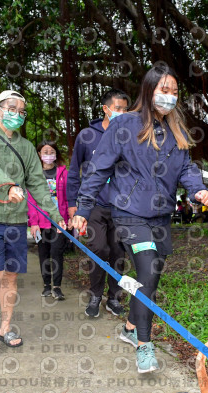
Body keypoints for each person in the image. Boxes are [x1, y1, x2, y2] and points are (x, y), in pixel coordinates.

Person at [73, 65, 208, 373]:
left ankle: (128, 326)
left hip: (161, 216)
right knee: (147, 271)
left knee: (152, 279)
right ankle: (144, 345)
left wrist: (198, 190)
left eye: (175, 92)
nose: (169, 97)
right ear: (148, 90)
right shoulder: (124, 125)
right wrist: (82, 209)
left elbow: (187, 169)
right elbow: (98, 169)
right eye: (164, 90)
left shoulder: (177, 129)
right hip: (129, 213)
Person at [0, 90, 66, 359]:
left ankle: (5, 328)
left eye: (22, 111)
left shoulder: (25, 147)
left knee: (10, 276)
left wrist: (55, 215)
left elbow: (37, 184)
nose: (17, 114)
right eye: (12, 108)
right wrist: (9, 185)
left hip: (15, 218)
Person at [67, 88, 129, 318]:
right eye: (118, 108)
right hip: (92, 205)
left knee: (118, 252)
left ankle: (113, 298)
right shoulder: (87, 136)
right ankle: (95, 295)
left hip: (120, 206)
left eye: (125, 109)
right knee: (98, 249)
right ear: (106, 108)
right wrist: (73, 204)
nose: (122, 113)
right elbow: (74, 171)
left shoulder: (128, 135)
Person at [28, 140, 70, 301]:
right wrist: (34, 223)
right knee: (44, 254)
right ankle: (46, 285)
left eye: (51, 152)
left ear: (56, 154)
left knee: (57, 253)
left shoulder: (63, 172)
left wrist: (67, 218)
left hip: (59, 222)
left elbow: (68, 198)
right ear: (39, 154)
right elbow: (31, 201)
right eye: (45, 152)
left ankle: (57, 287)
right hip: (41, 221)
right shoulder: (34, 174)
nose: (48, 155)